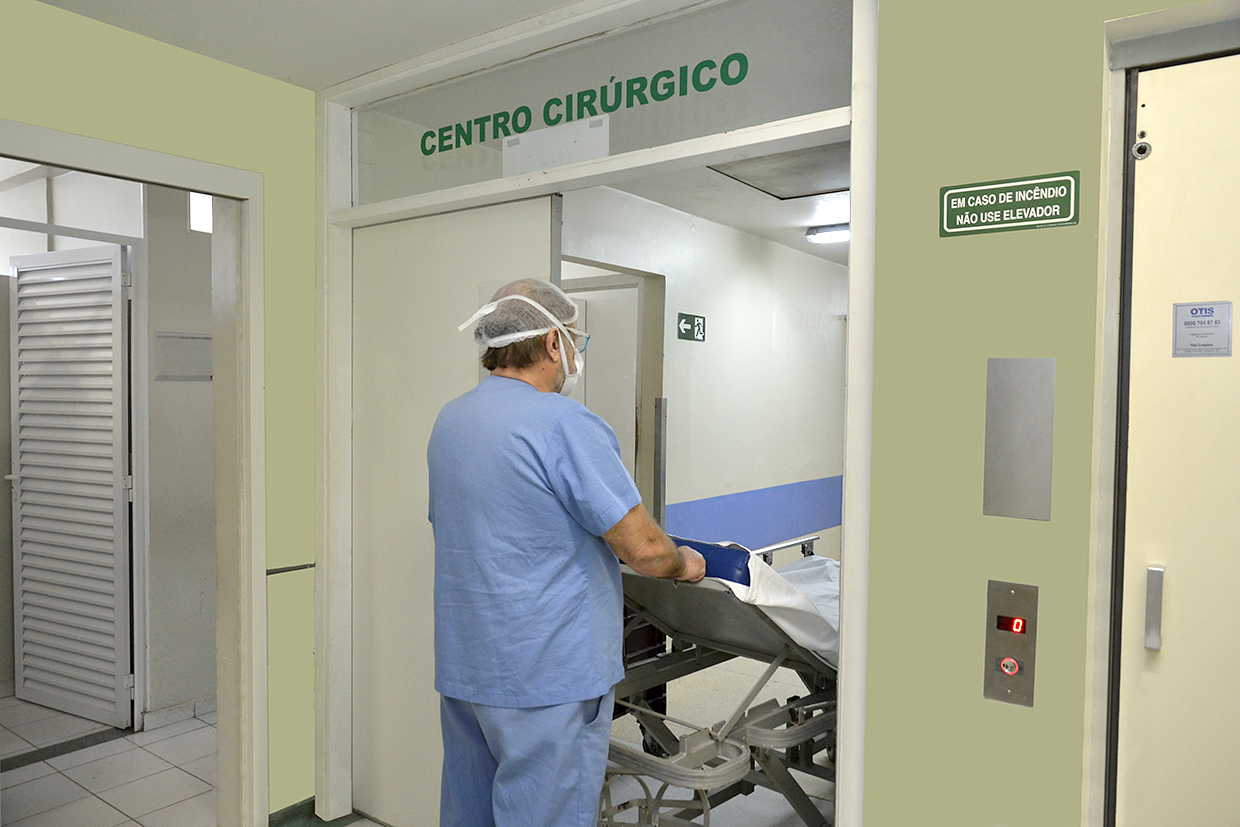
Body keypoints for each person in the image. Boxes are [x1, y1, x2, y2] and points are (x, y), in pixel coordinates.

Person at [427, 278, 706, 827]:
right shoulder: (564, 424)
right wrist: (686, 563)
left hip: (467, 664)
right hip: (547, 675)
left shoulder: (451, 421)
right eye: (575, 339)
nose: (576, 353)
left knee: (471, 813)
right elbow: (646, 551)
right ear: (554, 343)